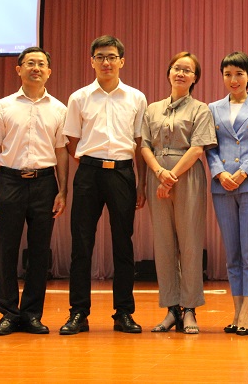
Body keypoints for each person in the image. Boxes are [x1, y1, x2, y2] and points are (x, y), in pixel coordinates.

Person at [59, 35, 147, 335]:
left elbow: (140, 143)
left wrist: (141, 184)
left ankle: (123, 313)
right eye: (100, 57)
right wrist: (88, 164)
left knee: (123, 244)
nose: (106, 62)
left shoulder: (136, 98)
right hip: (89, 173)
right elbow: (71, 140)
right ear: (92, 61)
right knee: (81, 244)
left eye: (111, 57)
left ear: (122, 61)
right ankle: (78, 313)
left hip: (123, 173)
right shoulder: (79, 97)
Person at [0, 46, 68, 336]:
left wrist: (63, 191)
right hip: (10, 182)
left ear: (49, 72)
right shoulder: (3, 106)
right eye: (30, 63)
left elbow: (62, 151)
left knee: (40, 252)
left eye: (41, 64)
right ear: (19, 69)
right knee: (6, 248)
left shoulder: (59, 109)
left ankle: (31, 314)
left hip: (45, 183)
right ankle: (8, 313)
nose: (36, 68)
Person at [141, 52, 217, 334]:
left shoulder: (200, 109)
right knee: (163, 245)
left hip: (188, 178)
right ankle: (172, 309)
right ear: (169, 73)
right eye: (177, 68)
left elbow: (198, 148)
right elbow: (144, 146)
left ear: (195, 78)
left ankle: (190, 309)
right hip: (157, 175)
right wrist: (159, 173)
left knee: (190, 243)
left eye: (187, 70)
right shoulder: (152, 109)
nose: (181, 73)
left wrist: (171, 176)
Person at [206, 52, 248, 336]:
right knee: (232, 253)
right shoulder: (212, 108)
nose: (233, 80)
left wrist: (243, 172)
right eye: (228, 74)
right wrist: (220, 173)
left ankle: (247, 311)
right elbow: (209, 146)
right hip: (222, 187)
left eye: (239, 74)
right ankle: (236, 310)